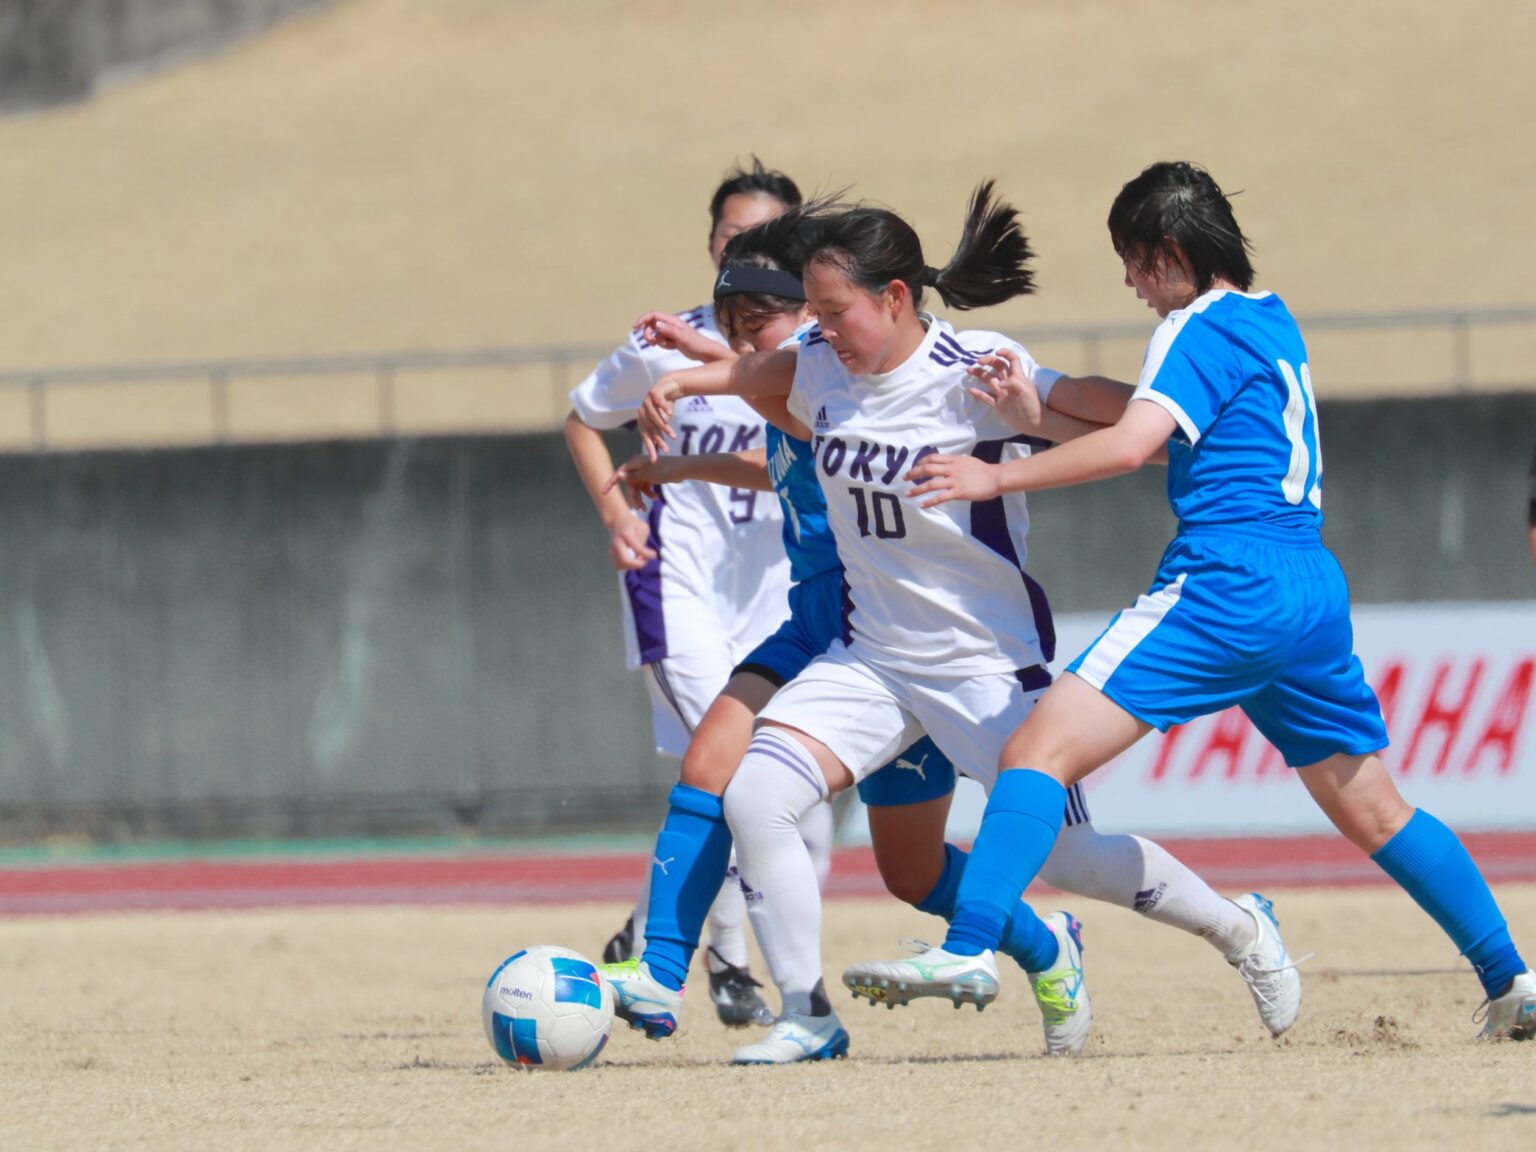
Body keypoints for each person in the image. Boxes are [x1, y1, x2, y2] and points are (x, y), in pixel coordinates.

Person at [845, 161, 1536, 1044]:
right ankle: (1510, 978)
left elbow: (1134, 442)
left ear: (1169, 253)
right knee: (1375, 807)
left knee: (1036, 751)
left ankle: (972, 944)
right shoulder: (1268, 320)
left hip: (1227, 581)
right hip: (1309, 588)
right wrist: (1036, 401)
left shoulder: (1190, 326)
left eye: (1132, 262)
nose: (1130, 283)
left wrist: (996, 468)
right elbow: (1161, 431)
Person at [648, 187, 1305, 1065]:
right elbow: (758, 374)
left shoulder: (975, 365)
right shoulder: (819, 364)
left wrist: (1070, 417)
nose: (823, 328)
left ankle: (1239, 928)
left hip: (985, 664)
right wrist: (683, 379)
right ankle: (808, 1015)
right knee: (757, 796)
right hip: (872, 659)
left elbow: (1117, 416)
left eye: (836, 311)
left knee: (1073, 861)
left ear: (894, 298)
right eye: (814, 312)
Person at [564, 158, 830, 1027]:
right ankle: (725, 968)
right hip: (676, 587)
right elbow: (581, 417)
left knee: (776, 786)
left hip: (778, 595)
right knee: (733, 768)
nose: (743, 251)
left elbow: (784, 428)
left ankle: (650, 929)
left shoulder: (817, 359)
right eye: (731, 237)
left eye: (764, 239)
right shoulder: (660, 340)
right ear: (712, 245)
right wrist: (618, 515)